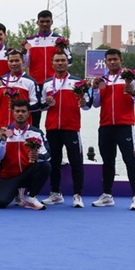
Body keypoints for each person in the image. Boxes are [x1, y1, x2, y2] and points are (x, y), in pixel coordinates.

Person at [90, 49, 135, 211]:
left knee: (130, 161)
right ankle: (107, 195)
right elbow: (95, 104)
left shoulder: (129, 78)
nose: (112, 62)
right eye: (109, 60)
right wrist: (94, 88)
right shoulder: (102, 80)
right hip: (106, 126)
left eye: (115, 59)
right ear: (105, 62)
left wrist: (133, 92)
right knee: (108, 162)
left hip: (125, 126)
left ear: (121, 60)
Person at [39, 51, 90, 208]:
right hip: (52, 128)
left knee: (76, 161)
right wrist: (47, 103)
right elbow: (41, 106)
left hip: (71, 127)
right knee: (54, 161)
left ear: (67, 62)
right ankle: (55, 193)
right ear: (52, 64)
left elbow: (87, 104)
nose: (60, 63)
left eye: (63, 60)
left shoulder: (78, 83)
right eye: (57, 61)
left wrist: (83, 101)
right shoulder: (47, 84)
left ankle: (77, 195)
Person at [0, 100, 51, 210]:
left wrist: (38, 157)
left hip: (28, 173)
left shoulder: (36, 133)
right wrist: (3, 142)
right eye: (17, 111)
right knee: (1, 202)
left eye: (23, 111)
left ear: (28, 113)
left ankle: (31, 197)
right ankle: (16, 190)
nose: (20, 114)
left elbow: (48, 155)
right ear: (13, 113)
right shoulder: (4, 132)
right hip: (10, 176)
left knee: (46, 165)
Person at [23, 10, 72, 127]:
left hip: (54, 83)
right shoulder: (29, 41)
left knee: (57, 114)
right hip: (35, 83)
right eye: (42, 21)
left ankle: (55, 141)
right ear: (37, 22)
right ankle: (34, 141)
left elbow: (70, 61)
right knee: (34, 117)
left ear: (51, 22)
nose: (44, 24)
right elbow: (24, 64)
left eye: (47, 21)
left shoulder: (59, 41)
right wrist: (24, 52)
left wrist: (61, 51)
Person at [0, 50, 39, 134]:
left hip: (22, 127)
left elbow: (36, 104)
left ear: (22, 62)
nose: (14, 64)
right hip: (2, 126)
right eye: (11, 61)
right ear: (7, 62)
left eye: (17, 60)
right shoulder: (1, 80)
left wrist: (21, 106)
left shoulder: (30, 81)